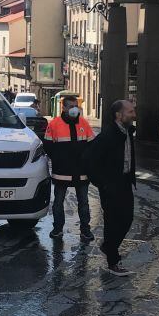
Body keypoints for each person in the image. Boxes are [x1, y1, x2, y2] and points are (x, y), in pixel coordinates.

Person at [85, 99, 138, 276]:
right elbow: (90, 162)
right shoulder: (107, 136)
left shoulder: (128, 132)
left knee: (127, 218)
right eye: (130, 111)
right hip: (111, 185)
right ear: (118, 115)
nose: (134, 114)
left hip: (124, 182)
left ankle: (108, 247)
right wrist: (103, 184)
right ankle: (113, 261)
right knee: (113, 222)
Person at [43, 94, 95, 241]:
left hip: (82, 172)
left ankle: (85, 230)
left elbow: (92, 145)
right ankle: (57, 229)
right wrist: (59, 159)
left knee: (84, 202)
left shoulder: (83, 123)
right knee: (58, 202)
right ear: (64, 108)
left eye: (76, 106)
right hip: (62, 172)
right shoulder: (54, 124)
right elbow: (47, 145)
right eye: (71, 106)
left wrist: (87, 161)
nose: (74, 109)